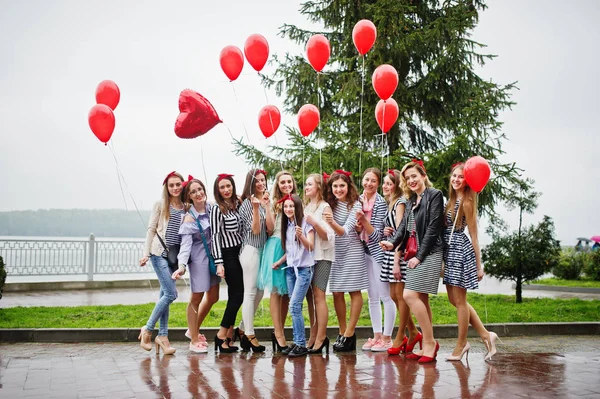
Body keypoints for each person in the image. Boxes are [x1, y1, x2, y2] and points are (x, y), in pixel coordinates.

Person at [381, 160, 444, 363]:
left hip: (430, 252)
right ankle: (428, 342)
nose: (411, 180)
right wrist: (392, 243)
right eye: (407, 178)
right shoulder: (410, 201)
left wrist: (419, 256)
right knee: (422, 300)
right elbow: (403, 230)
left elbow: (433, 228)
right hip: (414, 254)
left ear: (423, 175)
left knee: (408, 295)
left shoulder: (435, 195)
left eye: (414, 176)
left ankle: (429, 342)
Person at [444, 162, 500, 362]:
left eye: (461, 177)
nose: (456, 180)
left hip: (460, 251)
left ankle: (462, 344)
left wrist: (479, 265)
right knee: (455, 300)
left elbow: (474, 236)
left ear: (467, 181)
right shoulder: (451, 199)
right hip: (449, 251)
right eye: (454, 176)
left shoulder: (466, 202)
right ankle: (486, 335)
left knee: (460, 301)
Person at [346, 168, 396, 352]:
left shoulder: (381, 203)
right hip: (364, 251)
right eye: (367, 179)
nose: (369, 184)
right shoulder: (359, 201)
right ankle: (376, 336)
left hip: (379, 252)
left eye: (373, 181)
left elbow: (376, 236)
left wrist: (364, 223)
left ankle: (387, 338)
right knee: (372, 298)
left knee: (385, 296)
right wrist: (360, 228)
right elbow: (359, 231)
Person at [172, 178, 221, 353]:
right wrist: (182, 265)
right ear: (189, 197)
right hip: (199, 261)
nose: (198, 193)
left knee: (214, 297)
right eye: (193, 192)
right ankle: (193, 339)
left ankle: (192, 328)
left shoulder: (212, 208)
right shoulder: (189, 218)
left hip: (215, 259)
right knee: (196, 299)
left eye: (200, 189)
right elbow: (185, 246)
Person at [138, 171, 185, 355]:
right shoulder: (160, 205)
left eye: (177, 184)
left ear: (182, 185)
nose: (174, 188)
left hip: (174, 257)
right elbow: (151, 229)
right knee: (171, 294)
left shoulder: (186, 206)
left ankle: (163, 337)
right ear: (167, 187)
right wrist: (145, 254)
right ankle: (148, 330)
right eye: (171, 185)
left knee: (165, 295)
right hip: (158, 253)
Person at [324, 170, 368, 352]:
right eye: (335, 186)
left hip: (352, 251)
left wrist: (331, 222)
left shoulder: (355, 205)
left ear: (349, 186)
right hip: (335, 253)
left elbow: (345, 230)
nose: (338, 189)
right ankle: (342, 331)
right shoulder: (329, 205)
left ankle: (350, 332)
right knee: (336, 292)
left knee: (354, 291)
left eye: (342, 185)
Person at [380, 169, 421, 355]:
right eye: (384, 183)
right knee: (394, 296)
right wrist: (387, 231)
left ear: (397, 185)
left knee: (401, 295)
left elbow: (402, 233)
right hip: (391, 253)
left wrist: (397, 261)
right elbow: (395, 229)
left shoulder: (401, 202)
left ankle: (400, 335)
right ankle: (412, 332)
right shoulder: (391, 203)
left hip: (399, 254)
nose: (385, 186)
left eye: (389, 183)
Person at [257, 171, 296, 352]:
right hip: (276, 246)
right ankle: (279, 334)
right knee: (275, 292)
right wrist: (266, 207)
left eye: (289, 181)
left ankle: (279, 331)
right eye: (282, 182)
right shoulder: (273, 203)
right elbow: (271, 228)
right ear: (278, 185)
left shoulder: (296, 201)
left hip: (292, 249)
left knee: (287, 292)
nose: (286, 184)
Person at [237, 168, 274, 352]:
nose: (261, 183)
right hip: (250, 250)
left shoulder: (267, 201)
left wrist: (266, 206)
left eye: (263, 180)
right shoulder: (246, 204)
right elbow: (256, 231)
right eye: (257, 181)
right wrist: (256, 208)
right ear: (250, 184)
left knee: (259, 293)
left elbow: (269, 229)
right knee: (250, 293)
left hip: (263, 250)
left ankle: (242, 329)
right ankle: (250, 334)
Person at [208, 173, 244, 352]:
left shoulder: (236, 205)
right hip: (228, 255)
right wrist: (219, 262)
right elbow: (215, 236)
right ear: (217, 190)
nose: (226, 189)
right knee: (238, 295)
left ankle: (228, 338)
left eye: (228, 186)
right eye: (222, 187)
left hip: (241, 252)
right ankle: (221, 335)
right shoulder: (216, 209)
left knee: (235, 296)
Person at [279, 193, 315, 358]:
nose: (288, 209)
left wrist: (301, 236)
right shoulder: (286, 225)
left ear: (297, 207)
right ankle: (297, 341)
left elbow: (310, 247)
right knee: (296, 308)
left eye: (291, 206)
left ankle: (301, 344)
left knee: (294, 306)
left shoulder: (305, 223)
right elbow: (290, 251)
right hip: (290, 269)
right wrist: (280, 262)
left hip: (303, 270)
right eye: (285, 206)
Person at [303, 174, 335, 354]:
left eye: (309, 184)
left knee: (318, 296)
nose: (306, 187)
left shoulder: (325, 207)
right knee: (310, 298)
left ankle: (322, 336)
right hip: (308, 257)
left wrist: (314, 222)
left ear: (319, 187)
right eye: (306, 184)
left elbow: (328, 237)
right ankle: (313, 335)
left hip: (322, 256)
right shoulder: (308, 206)